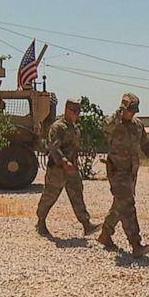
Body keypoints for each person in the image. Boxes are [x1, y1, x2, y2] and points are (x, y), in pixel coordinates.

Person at [96, 93, 149, 257]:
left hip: (131, 173)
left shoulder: (138, 126)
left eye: (134, 111)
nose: (132, 114)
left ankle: (105, 235)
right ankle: (136, 244)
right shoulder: (113, 123)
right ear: (123, 109)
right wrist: (119, 113)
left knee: (119, 206)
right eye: (130, 110)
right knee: (127, 205)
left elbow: (146, 145)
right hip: (117, 172)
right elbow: (106, 127)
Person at [36, 98, 100, 237]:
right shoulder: (58, 127)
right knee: (50, 196)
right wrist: (64, 161)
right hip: (58, 169)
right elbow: (53, 147)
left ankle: (86, 224)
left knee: (77, 195)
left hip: (72, 169)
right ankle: (41, 221)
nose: (77, 114)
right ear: (67, 110)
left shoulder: (75, 128)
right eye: (75, 111)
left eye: (79, 111)